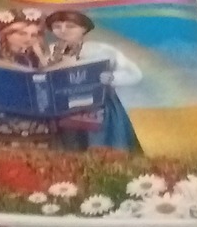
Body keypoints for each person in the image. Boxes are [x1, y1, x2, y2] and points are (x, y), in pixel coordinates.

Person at [39, 8, 143, 152]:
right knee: (67, 147)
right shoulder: (50, 51)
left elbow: (135, 73)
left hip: (99, 106)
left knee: (102, 146)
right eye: (57, 26)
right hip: (62, 107)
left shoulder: (101, 49)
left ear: (83, 29)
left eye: (70, 26)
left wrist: (112, 78)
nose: (63, 31)